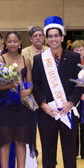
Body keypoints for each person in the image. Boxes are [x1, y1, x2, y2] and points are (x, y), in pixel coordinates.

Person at [32, 16, 83, 168]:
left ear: (62, 37)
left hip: (68, 110)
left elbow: (80, 83)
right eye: (50, 36)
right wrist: (44, 105)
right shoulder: (40, 60)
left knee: (69, 147)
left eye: (56, 35)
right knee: (48, 147)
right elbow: (36, 85)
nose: (53, 39)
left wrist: (71, 102)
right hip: (48, 112)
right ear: (47, 38)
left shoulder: (74, 57)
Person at [0, 31, 34, 168]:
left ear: (19, 43)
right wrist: (10, 86)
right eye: (9, 41)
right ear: (5, 43)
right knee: (4, 143)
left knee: (20, 142)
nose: (12, 44)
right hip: (5, 107)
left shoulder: (26, 60)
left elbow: (30, 84)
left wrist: (27, 92)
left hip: (22, 107)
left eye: (15, 41)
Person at [22, 26, 49, 157]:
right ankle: (32, 154)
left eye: (40, 35)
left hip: (48, 96)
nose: (38, 38)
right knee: (31, 130)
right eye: (35, 36)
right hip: (31, 97)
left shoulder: (49, 50)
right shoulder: (25, 52)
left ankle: (48, 155)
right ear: (30, 38)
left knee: (47, 129)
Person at [71, 40, 84, 161]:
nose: (79, 52)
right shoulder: (71, 64)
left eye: (81, 50)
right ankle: (74, 152)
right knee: (74, 126)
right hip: (75, 99)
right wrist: (78, 95)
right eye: (76, 50)